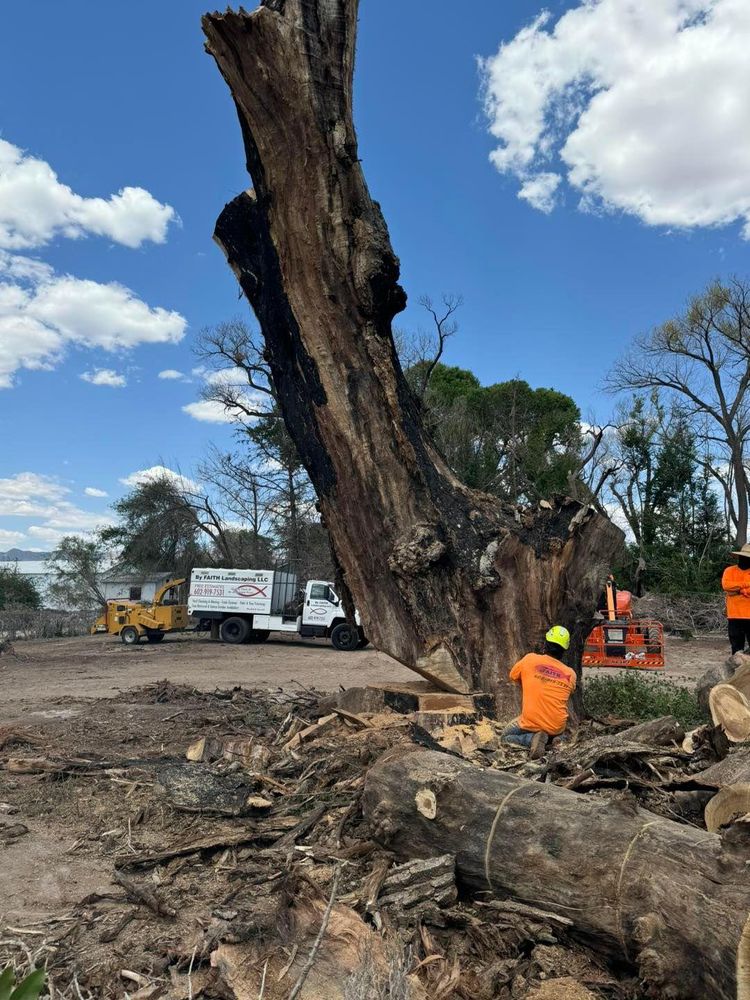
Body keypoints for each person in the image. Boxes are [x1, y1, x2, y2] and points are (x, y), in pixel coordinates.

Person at [502, 625, 577, 758]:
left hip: (531, 722)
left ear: (545, 644)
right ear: (564, 650)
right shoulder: (570, 674)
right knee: (551, 731)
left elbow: (513, 676)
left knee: (505, 737)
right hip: (557, 726)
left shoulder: (530, 659)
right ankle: (553, 741)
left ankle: (531, 740)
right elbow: (569, 691)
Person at [722, 544, 750, 654]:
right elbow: (726, 586)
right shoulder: (729, 571)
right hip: (734, 615)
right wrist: (746, 585)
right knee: (736, 649)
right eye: (743, 557)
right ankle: (737, 670)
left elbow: (731, 589)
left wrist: (737, 590)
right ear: (739, 557)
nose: (745, 559)